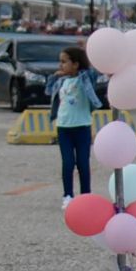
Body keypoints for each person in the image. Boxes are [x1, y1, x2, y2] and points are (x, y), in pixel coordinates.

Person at [48, 46, 101, 209]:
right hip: (63, 127)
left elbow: (93, 73)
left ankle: (86, 195)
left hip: (82, 126)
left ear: (76, 64)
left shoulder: (85, 79)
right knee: (68, 162)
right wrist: (53, 77)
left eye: (64, 62)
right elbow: (48, 90)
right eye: (60, 62)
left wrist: (87, 52)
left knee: (83, 162)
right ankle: (68, 195)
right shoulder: (61, 81)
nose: (61, 66)